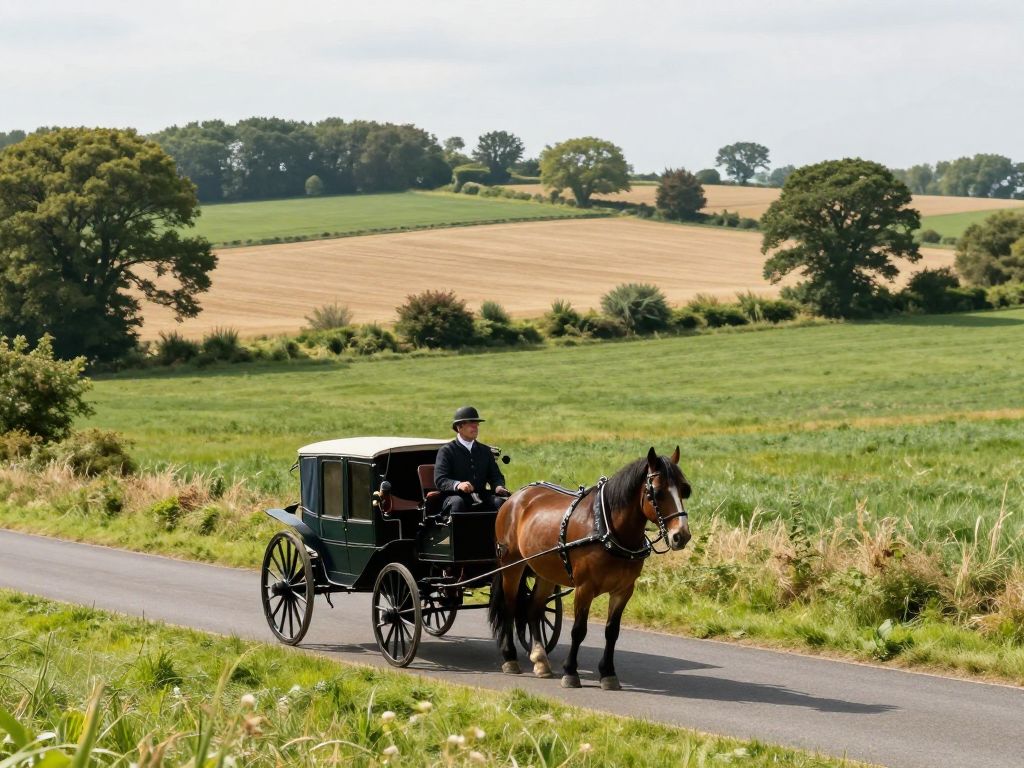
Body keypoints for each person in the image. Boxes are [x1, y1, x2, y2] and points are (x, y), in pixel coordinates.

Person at [434, 406, 510, 515]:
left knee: (501, 502)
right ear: (459, 427)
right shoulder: (446, 451)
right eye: (471, 424)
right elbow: (440, 480)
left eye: (477, 424)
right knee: (458, 503)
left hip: (481, 496)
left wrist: (498, 486)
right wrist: (458, 485)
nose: (476, 427)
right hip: (455, 497)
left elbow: (495, 476)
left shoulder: (485, 451)